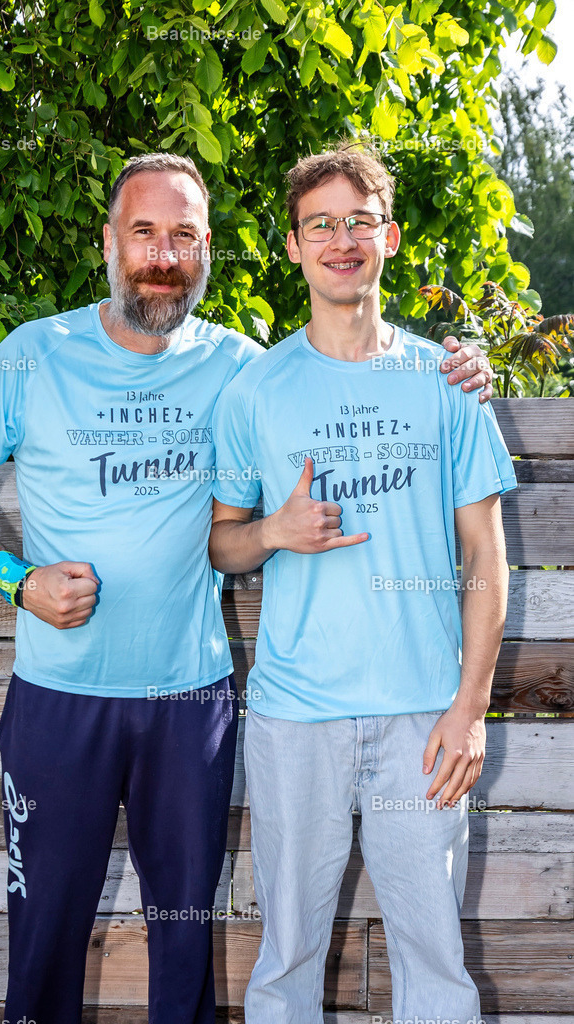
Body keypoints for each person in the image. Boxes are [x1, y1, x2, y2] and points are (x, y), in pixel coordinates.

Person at [0, 151, 495, 1024]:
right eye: (144, 233)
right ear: (109, 244)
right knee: (43, 938)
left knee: (186, 946)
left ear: (208, 250)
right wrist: (18, 578)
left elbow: (348, 373)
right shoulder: (33, 354)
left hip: (190, 704)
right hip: (59, 698)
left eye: (182, 236)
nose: (162, 254)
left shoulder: (237, 366)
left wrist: (465, 367)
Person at [209, 140, 517, 1024]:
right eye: (319, 226)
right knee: (287, 959)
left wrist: (470, 709)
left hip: (423, 717)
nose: (339, 241)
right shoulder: (254, 390)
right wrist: (273, 530)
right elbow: (222, 546)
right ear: (295, 247)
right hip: (294, 717)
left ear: (387, 237)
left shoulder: (446, 383)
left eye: (356, 222)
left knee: (434, 965)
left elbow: (485, 560)